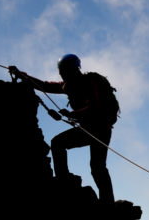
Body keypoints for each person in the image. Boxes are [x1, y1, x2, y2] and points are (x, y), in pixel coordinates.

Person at [9, 54, 117, 204]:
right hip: (91, 128)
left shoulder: (90, 81)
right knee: (93, 164)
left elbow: (96, 106)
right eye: (62, 72)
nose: (63, 74)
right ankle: (65, 180)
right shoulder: (69, 86)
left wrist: (73, 114)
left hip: (100, 129)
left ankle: (103, 200)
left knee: (95, 165)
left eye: (64, 71)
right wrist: (23, 75)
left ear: (73, 69)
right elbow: (45, 86)